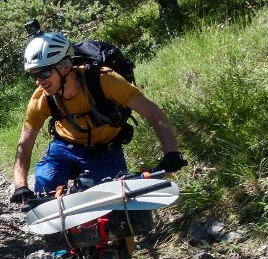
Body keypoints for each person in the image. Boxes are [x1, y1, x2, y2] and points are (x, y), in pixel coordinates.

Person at [9, 31, 186, 204]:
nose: (39, 81)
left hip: (106, 150)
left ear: (65, 67)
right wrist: (20, 185)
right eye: (35, 75)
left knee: (120, 211)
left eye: (44, 73)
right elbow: (25, 144)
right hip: (63, 150)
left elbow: (154, 113)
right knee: (46, 184)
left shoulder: (105, 80)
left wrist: (171, 152)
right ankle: (57, 234)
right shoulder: (41, 99)